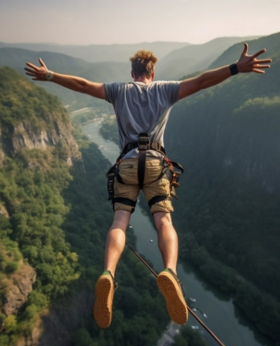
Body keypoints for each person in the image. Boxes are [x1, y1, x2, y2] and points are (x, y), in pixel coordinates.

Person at [25, 43, 271, 329]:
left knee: (120, 221)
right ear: (152, 74)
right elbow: (203, 81)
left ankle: (107, 274)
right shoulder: (165, 90)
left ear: (133, 73)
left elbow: (82, 85)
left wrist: (50, 75)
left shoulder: (119, 91)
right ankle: (169, 272)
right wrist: (234, 68)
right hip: (156, 164)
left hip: (126, 165)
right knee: (163, 220)